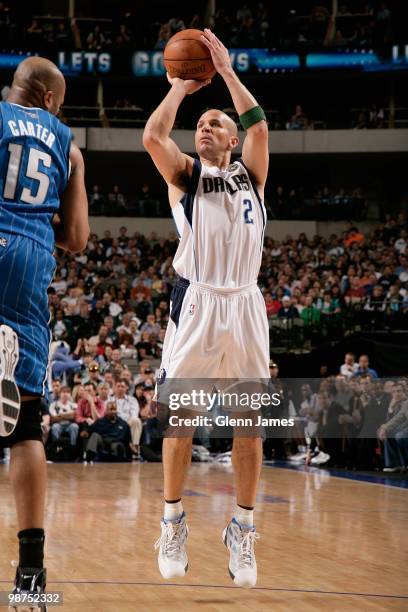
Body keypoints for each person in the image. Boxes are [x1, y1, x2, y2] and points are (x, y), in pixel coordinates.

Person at [143, 29, 269, 588]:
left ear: (233, 139)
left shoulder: (254, 176)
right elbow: (152, 135)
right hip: (198, 301)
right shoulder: (187, 177)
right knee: (183, 419)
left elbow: (260, 123)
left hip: (244, 304)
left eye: (216, 122)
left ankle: (242, 530)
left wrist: (226, 69)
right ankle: (172, 520)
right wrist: (179, 87)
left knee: (251, 426)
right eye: (202, 123)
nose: (205, 126)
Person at [0, 57, 89, 600]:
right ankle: (31, 576)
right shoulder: (69, 145)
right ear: (52, 100)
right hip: (31, 258)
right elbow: (77, 237)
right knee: (27, 427)